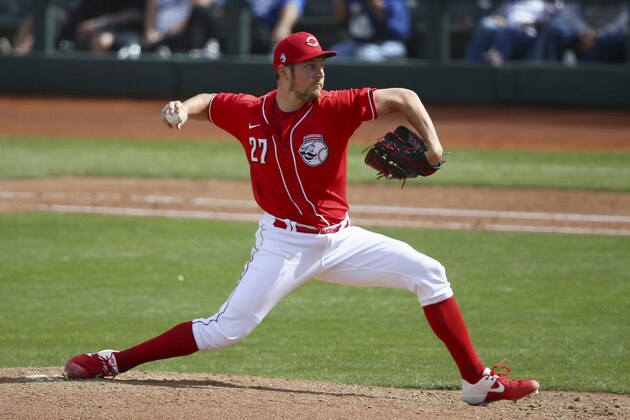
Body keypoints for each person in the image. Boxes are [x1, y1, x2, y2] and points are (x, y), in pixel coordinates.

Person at [63, 31, 540, 406]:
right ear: (283, 72)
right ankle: (114, 360)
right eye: (310, 66)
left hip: (341, 240)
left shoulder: (335, 108)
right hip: (284, 245)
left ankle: (478, 382)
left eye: (321, 65)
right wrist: (181, 109)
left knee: (429, 273)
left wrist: (433, 145)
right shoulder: (249, 112)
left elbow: (403, 96)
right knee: (224, 332)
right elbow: (209, 102)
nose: (320, 74)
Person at [463, 0, 559, 66]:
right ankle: (469, 67)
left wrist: (528, 24)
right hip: (507, 27)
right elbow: (499, 16)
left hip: (529, 33)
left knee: (507, 30)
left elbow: (547, 21)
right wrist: (499, 20)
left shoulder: (542, 3)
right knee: (485, 24)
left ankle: (497, 62)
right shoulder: (513, 2)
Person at [535, 0, 630, 64]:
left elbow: (625, 17)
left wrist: (598, 34)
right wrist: (583, 31)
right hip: (579, 34)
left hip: (610, 36)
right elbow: (569, 11)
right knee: (553, 31)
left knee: (611, 42)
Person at [329, 0, 411, 61]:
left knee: (365, 56)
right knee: (332, 57)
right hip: (357, 42)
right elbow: (339, 19)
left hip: (390, 43)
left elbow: (383, 16)